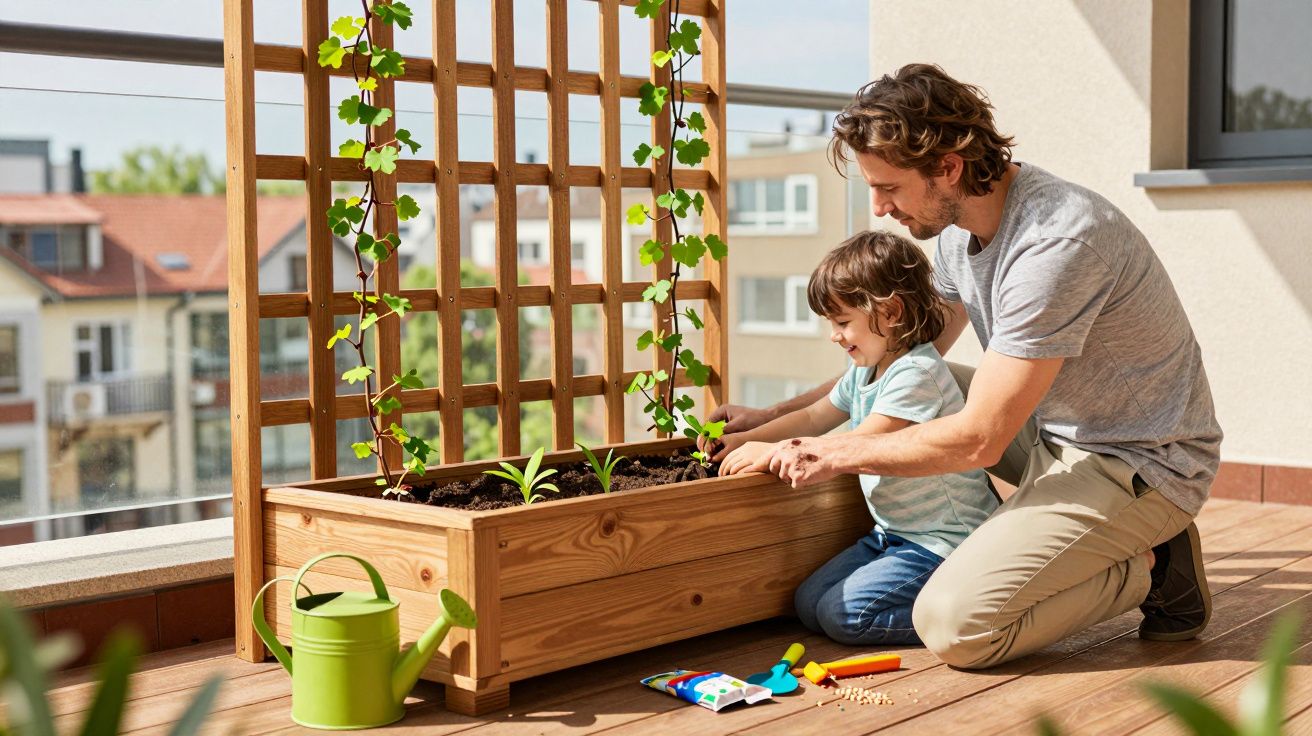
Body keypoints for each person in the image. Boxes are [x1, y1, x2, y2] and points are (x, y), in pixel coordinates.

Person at [707, 63, 1223, 668]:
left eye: (889, 188)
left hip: (1139, 458)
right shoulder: (957, 231)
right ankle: (1065, 540)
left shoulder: (1055, 244)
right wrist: (776, 416)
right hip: (1058, 431)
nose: (878, 208)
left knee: (956, 626)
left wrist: (814, 451)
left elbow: (980, 440)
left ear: (947, 167)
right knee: (925, 374)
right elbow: (897, 357)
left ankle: (1150, 566)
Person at [717, 230, 998, 645]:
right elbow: (814, 417)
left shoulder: (917, 373)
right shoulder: (865, 370)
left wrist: (777, 451)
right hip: (893, 535)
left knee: (844, 616)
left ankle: (972, 618)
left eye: (843, 322)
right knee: (809, 603)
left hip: (944, 541)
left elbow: (868, 441)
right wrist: (747, 439)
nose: (834, 335)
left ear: (891, 313)